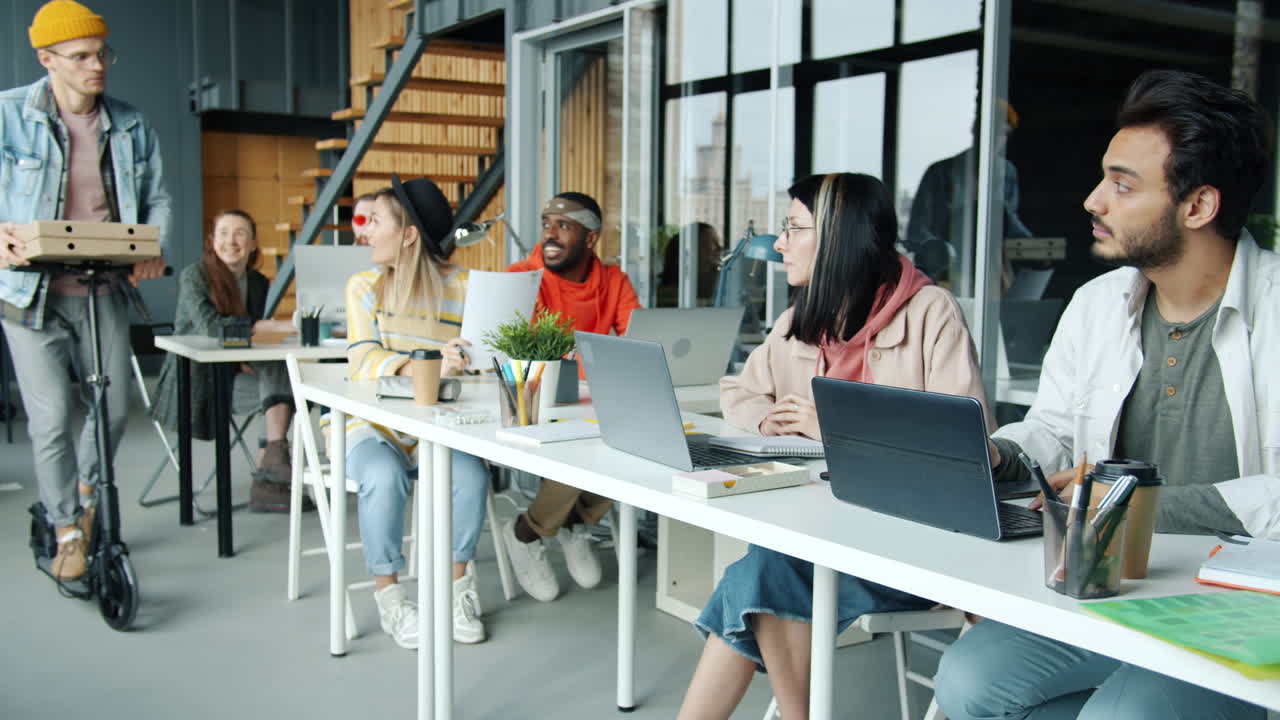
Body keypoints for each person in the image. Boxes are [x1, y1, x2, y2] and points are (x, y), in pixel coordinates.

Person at [933, 70, 1275, 720]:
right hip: (1111, 579)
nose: (1094, 201)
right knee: (969, 679)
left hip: (1242, 601)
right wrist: (994, 454)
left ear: (1198, 206)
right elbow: (1055, 432)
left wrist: (1136, 506)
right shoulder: (1098, 304)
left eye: (1122, 185)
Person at [676, 172, 993, 720]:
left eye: (793, 228)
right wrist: (768, 420)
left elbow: (964, 448)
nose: (779, 244)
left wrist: (833, 429)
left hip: (914, 546)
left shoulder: (931, 313)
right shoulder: (801, 318)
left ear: (839, 237)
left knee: (756, 575)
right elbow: (738, 391)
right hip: (823, 531)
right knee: (762, 568)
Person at [0, 0, 170, 581]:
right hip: (29, 295)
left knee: (113, 409)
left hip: (102, 288)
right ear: (46, 59)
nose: (97, 66)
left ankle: (87, 494)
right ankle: (67, 530)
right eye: (80, 57)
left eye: (102, 54)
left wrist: (152, 245)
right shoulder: (8, 116)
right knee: (50, 420)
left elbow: (158, 199)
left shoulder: (131, 124)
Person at [330, 175, 489, 647]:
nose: (364, 232)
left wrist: (466, 360)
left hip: (436, 426)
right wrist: (426, 364)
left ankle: (457, 590)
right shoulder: (364, 286)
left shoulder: (465, 287)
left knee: (472, 476)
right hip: (370, 424)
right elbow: (362, 360)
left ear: (408, 235)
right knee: (384, 476)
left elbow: (483, 365)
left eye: (375, 221)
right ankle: (391, 598)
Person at [500, 192, 642, 603]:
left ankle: (570, 524)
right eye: (546, 224)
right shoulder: (521, 277)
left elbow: (637, 341)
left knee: (636, 438)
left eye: (563, 226)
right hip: (532, 401)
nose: (550, 234)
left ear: (590, 238)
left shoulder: (613, 280)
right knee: (583, 447)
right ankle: (526, 533)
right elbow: (524, 355)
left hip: (590, 403)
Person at [150, 210, 303, 512]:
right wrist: (261, 327)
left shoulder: (258, 282)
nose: (230, 241)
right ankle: (270, 476)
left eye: (240, 233)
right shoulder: (194, 276)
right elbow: (211, 327)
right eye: (223, 233)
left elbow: (247, 343)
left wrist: (263, 334)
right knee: (282, 389)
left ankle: (270, 466)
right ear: (212, 241)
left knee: (287, 378)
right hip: (196, 382)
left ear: (253, 243)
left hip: (234, 375)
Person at [905, 101, 1032, 285]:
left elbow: (1011, 222)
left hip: (993, 272)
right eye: (991, 130)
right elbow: (918, 229)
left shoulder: (1007, 172)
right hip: (944, 273)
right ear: (975, 129)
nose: (995, 138)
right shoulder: (940, 172)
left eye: (1003, 133)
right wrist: (942, 255)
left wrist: (1036, 246)